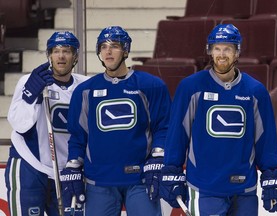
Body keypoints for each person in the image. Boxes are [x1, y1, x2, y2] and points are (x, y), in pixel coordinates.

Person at [159, 24, 277, 215]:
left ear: (237, 53)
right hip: (204, 188)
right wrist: (171, 169)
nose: (222, 54)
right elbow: (178, 133)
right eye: (217, 48)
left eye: (227, 49)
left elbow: (265, 140)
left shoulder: (255, 91)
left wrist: (270, 176)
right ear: (210, 52)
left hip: (244, 188)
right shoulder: (191, 88)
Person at [60, 26, 171, 215]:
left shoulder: (150, 86)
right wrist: (73, 164)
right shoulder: (85, 91)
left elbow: (164, 127)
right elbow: (79, 136)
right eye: (103, 47)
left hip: (140, 178)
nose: (108, 51)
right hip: (99, 181)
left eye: (114, 46)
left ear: (126, 50)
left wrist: (158, 157)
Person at [4, 31, 88, 216]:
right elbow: (20, 125)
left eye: (66, 50)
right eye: (56, 50)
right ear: (49, 55)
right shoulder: (30, 81)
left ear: (75, 56)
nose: (60, 56)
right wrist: (30, 96)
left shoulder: (85, 86)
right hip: (30, 165)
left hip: (68, 171)